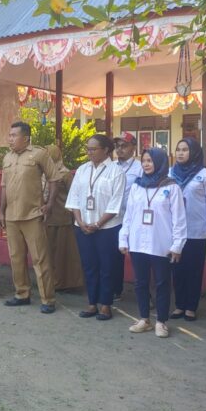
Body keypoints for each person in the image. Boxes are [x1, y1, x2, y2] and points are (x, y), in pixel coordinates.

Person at [119, 148, 187, 338]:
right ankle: (144, 319)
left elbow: (179, 219)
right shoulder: (137, 186)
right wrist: (123, 238)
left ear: (160, 162)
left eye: (150, 161)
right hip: (138, 241)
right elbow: (129, 216)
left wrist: (177, 245)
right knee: (140, 282)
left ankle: (161, 321)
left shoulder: (171, 187)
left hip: (161, 243)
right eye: (144, 161)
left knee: (162, 283)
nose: (146, 164)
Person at [0, 121, 59, 314]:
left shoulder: (39, 154)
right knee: (16, 257)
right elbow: (4, 186)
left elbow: (54, 178)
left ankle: (48, 299)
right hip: (11, 216)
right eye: (10, 135)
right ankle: (21, 294)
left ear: (25, 137)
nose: (10, 139)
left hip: (33, 214)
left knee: (40, 258)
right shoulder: (7, 157)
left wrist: (49, 204)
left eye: (14, 135)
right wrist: (0, 211)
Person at [65, 134, 126, 320]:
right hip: (83, 226)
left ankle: (106, 304)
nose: (89, 152)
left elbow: (116, 203)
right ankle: (92, 303)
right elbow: (74, 197)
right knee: (89, 265)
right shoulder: (83, 170)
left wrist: (98, 224)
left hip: (107, 228)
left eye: (93, 149)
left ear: (106, 150)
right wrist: (80, 221)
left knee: (107, 266)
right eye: (88, 149)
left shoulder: (116, 171)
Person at [169, 138, 206, 321]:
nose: (180, 153)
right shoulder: (170, 173)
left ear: (194, 152)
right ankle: (179, 305)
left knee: (194, 270)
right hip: (174, 231)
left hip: (197, 230)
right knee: (177, 270)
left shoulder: (204, 174)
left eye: (185, 150)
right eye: (178, 149)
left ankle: (191, 306)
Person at [44, 145, 83, 291]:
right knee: (49, 251)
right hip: (47, 217)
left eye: (48, 154)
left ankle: (67, 282)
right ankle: (52, 280)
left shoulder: (65, 174)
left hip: (62, 218)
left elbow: (73, 195)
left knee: (64, 252)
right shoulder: (44, 172)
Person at [112, 131, 143, 300]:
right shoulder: (111, 167)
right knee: (114, 256)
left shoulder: (140, 168)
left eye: (124, 146)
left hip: (134, 219)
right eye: (117, 146)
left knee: (139, 258)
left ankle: (145, 295)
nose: (120, 149)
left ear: (133, 148)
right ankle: (116, 290)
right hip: (113, 219)